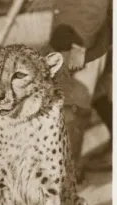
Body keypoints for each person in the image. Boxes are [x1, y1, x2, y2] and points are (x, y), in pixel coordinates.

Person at [47, 0, 112, 181]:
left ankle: (67, 173)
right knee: (98, 94)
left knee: (72, 103)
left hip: (82, 42)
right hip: (73, 34)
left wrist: (79, 43)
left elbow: (95, 6)